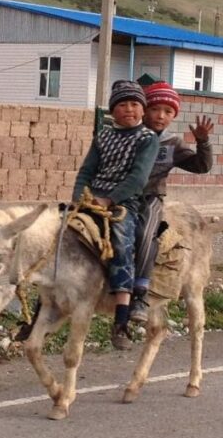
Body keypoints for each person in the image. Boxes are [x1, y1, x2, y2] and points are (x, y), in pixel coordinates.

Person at [72, 80, 159, 350]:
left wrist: (109, 199)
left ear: (143, 110)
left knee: (122, 245)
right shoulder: (103, 136)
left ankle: (121, 321)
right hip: (92, 198)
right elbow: (86, 171)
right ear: (113, 110)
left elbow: (139, 177)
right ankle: (41, 308)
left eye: (135, 104)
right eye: (122, 104)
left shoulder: (148, 139)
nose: (129, 109)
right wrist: (78, 198)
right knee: (58, 236)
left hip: (124, 202)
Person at [128, 81, 214, 322]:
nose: (160, 116)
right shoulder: (130, 136)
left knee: (146, 233)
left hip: (150, 198)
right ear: (145, 110)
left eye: (168, 112)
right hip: (121, 197)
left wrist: (203, 142)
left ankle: (140, 293)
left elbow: (201, 166)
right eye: (155, 109)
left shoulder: (172, 144)